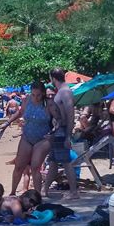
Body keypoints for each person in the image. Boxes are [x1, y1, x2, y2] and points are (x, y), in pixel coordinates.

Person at [2, 82, 51, 194]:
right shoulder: (27, 100)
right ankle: (13, 192)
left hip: (43, 139)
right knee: (19, 166)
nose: (35, 97)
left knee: (35, 167)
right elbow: (20, 113)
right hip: (27, 137)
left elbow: (59, 119)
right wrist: (7, 122)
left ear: (43, 93)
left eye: (38, 95)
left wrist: (55, 132)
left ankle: (38, 195)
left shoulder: (49, 104)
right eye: (33, 94)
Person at [43, 68, 79, 199]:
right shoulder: (61, 91)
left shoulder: (65, 91)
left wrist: (68, 136)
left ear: (53, 77)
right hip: (57, 132)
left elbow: (70, 114)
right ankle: (44, 190)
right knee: (53, 161)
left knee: (66, 162)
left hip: (62, 131)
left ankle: (74, 192)